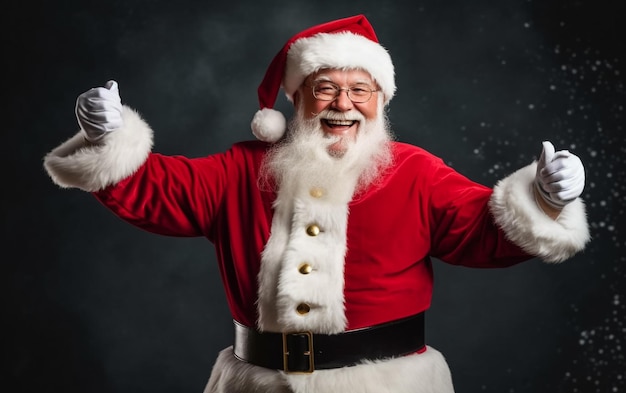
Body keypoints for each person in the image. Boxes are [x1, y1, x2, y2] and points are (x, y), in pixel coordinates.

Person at [43, 14, 589, 393]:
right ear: (297, 96)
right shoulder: (242, 169)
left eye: (360, 90)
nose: (343, 104)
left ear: (380, 101)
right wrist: (105, 138)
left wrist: (543, 196)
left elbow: (481, 229)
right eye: (326, 87)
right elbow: (156, 190)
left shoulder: (416, 170)